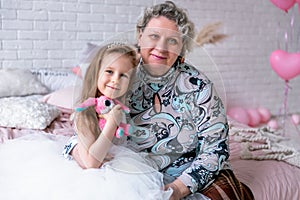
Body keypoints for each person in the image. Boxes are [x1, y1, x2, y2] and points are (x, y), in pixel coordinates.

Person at [64, 1, 254, 199]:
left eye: (172, 40)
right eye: (154, 36)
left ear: (182, 46)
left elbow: (216, 149)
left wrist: (177, 190)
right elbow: (89, 122)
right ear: (140, 36)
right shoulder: (121, 74)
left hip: (184, 177)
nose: (161, 48)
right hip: (129, 174)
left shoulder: (199, 86)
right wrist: (85, 155)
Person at [63, 43, 172, 199]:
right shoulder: (85, 113)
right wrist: (112, 123)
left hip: (108, 153)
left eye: (123, 75)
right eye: (109, 71)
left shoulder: (122, 107)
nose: (115, 80)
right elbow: (91, 164)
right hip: (88, 158)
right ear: (96, 73)